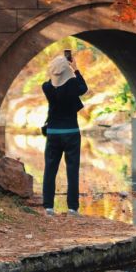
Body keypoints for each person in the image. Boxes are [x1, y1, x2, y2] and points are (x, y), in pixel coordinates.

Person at [41, 48, 88, 214]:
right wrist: (75, 69)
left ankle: (48, 206)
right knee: (72, 170)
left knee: (50, 169)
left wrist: (57, 69)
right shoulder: (74, 85)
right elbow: (84, 88)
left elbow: (54, 81)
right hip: (71, 133)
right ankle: (72, 208)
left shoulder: (46, 87)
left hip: (53, 133)